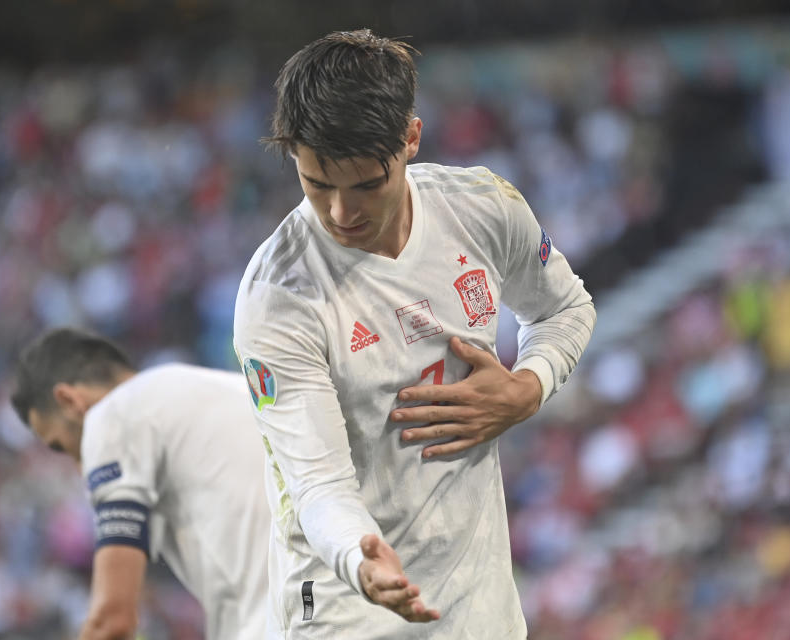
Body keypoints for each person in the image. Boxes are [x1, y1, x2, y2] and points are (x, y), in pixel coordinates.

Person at [233, 29, 596, 639]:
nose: (341, 214)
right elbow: (318, 483)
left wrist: (529, 387)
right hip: (347, 605)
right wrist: (359, 556)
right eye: (317, 185)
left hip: (477, 606)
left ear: (411, 139)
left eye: (366, 185)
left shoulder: (482, 209)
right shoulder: (280, 297)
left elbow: (564, 310)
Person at [10, 328, 270, 640]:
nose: (80, 468)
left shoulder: (112, 416)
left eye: (63, 447)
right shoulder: (222, 388)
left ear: (69, 401)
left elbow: (112, 620)